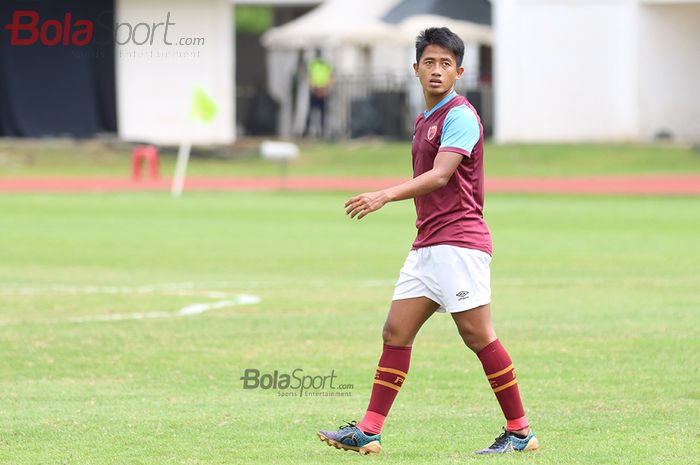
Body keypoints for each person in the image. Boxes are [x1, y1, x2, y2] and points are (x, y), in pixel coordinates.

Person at [317, 27, 538, 456]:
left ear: (459, 71)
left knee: (478, 336)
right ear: (415, 69)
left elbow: (440, 175)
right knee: (395, 332)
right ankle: (369, 430)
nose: (437, 71)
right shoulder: (425, 120)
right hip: (428, 246)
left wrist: (384, 194)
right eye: (429, 63)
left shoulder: (460, 116)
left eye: (445, 64)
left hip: (459, 244)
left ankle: (520, 432)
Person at [303, 49, 334, 138]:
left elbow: (331, 77)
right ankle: (307, 132)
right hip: (315, 90)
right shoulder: (313, 64)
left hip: (323, 90)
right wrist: (315, 88)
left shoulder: (326, 64)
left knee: (323, 113)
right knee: (311, 112)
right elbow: (309, 77)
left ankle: (323, 132)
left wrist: (325, 89)